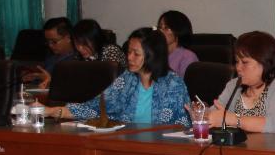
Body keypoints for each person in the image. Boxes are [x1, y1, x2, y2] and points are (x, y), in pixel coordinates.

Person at [44, 28, 190, 126]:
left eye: (136, 54)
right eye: (128, 52)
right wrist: (52, 111)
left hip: (161, 150)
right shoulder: (126, 79)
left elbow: (183, 126)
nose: (129, 57)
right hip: (126, 144)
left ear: (153, 55)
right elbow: (96, 107)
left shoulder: (173, 84)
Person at [208, 31, 275, 133]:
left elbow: (272, 125)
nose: (238, 67)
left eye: (245, 62)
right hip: (243, 144)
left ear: (265, 62)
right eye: (237, 61)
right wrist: (201, 113)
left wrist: (232, 119)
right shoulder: (234, 85)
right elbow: (215, 114)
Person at [26, 17, 76, 88]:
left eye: (54, 42)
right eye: (47, 41)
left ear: (68, 38)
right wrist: (36, 77)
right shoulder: (52, 58)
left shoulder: (78, 60)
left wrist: (50, 81)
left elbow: (72, 87)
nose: (50, 45)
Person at [157, 10, 198, 78]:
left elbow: (183, 83)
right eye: (160, 27)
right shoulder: (155, 53)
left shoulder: (187, 57)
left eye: (166, 28)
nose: (160, 31)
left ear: (178, 30)